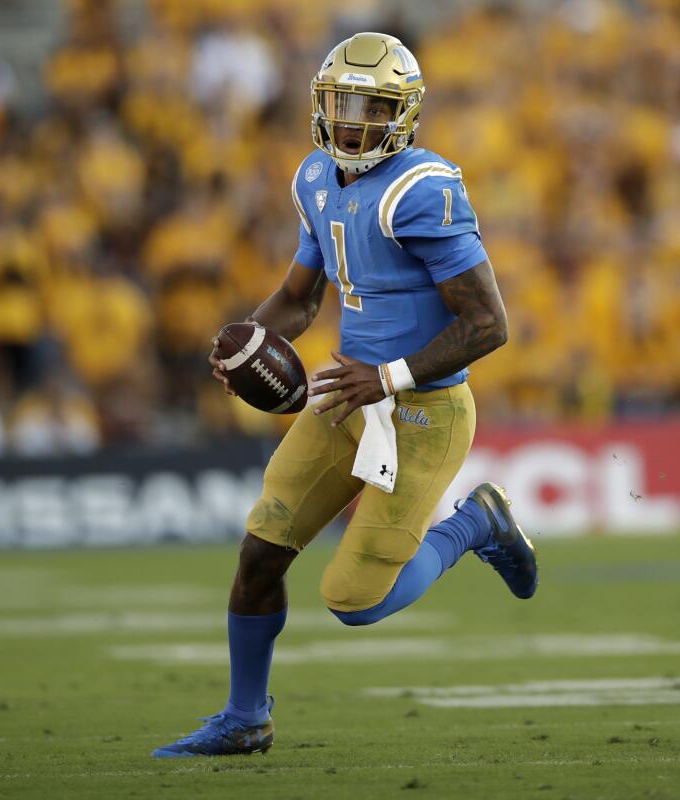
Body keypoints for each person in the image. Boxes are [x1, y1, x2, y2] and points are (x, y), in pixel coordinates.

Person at [153, 32, 538, 758]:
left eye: (370, 105)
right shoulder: (314, 177)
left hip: (421, 410)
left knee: (354, 601)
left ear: (405, 113)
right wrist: (247, 337)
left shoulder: (422, 188)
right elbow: (301, 299)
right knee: (261, 551)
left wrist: (390, 376)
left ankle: (476, 524)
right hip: (344, 399)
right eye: (340, 102)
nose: (352, 120)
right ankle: (245, 718)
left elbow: (489, 323)